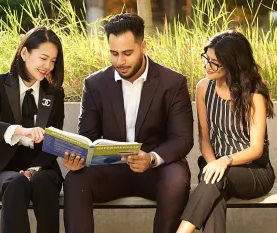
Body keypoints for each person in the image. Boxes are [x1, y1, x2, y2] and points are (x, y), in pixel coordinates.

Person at [61, 13, 194, 233]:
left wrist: (151, 158)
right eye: (113, 53)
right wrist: (79, 158)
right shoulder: (95, 84)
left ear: (143, 45)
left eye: (127, 53)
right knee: (75, 181)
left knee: (176, 181)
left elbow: (182, 138)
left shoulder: (173, 82)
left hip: (156, 169)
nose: (120, 61)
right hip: (110, 170)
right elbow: (88, 136)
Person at [176, 30, 276, 233]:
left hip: (254, 172)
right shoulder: (203, 88)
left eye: (214, 62)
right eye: (206, 59)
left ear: (232, 64)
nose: (207, 66)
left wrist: (224, 161)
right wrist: (214, 163)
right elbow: (205, 138)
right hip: (215, 167)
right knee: (214, 193)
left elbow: (256, 149)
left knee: (214, 179)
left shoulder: (253, 94)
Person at [0, 26, 65, 233]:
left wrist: (34, 169)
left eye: (53, 61)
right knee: (16, 183)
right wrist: (20, 130)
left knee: (44, 183)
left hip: (42, 166)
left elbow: (53, 139)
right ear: (24, 53)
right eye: (43, 58)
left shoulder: (54, 94)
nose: (47, 66)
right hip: (2, 168)